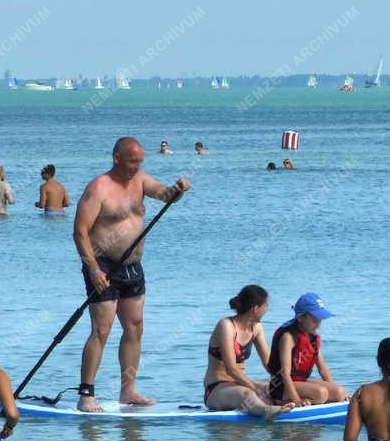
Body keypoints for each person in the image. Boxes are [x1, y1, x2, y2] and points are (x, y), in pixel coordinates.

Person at [73, 136, 190, 412]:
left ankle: (128, 391)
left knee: (135, 327)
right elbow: (79, 232)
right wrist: (92, 270)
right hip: (103, 265)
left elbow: (165, 196)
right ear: (116, 158)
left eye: (140, 161)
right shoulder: (98, 187)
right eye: (132, 161)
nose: (136, 166)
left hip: (133, 266)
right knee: (101, 330)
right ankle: (86, 394)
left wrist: (178, 189)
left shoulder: (140, 181)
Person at [204, 285, 293, 419]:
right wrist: (255, 389)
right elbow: (231, 369)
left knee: (274, 388)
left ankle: (294, 404)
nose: (267, 309)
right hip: (216, 389)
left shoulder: (256, 328)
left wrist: (285, 380)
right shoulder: (226, 326)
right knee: (248, 394)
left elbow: (269, 363)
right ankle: (267, 411)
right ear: (255, 308)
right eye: (266, 305)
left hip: (239, 384)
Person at [266, 292, 348, 406]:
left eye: (320, 320)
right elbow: (284, 373)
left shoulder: (312, 338)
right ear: (300, 317)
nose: (318, 324)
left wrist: (338, 395)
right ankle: (282, 401)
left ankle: (312, 400)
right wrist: (297, 400)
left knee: (340, 391)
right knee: (321, 393)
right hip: (281, 387)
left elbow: (323, 369)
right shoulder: (288, 337)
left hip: (300, 383)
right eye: (314, 320)